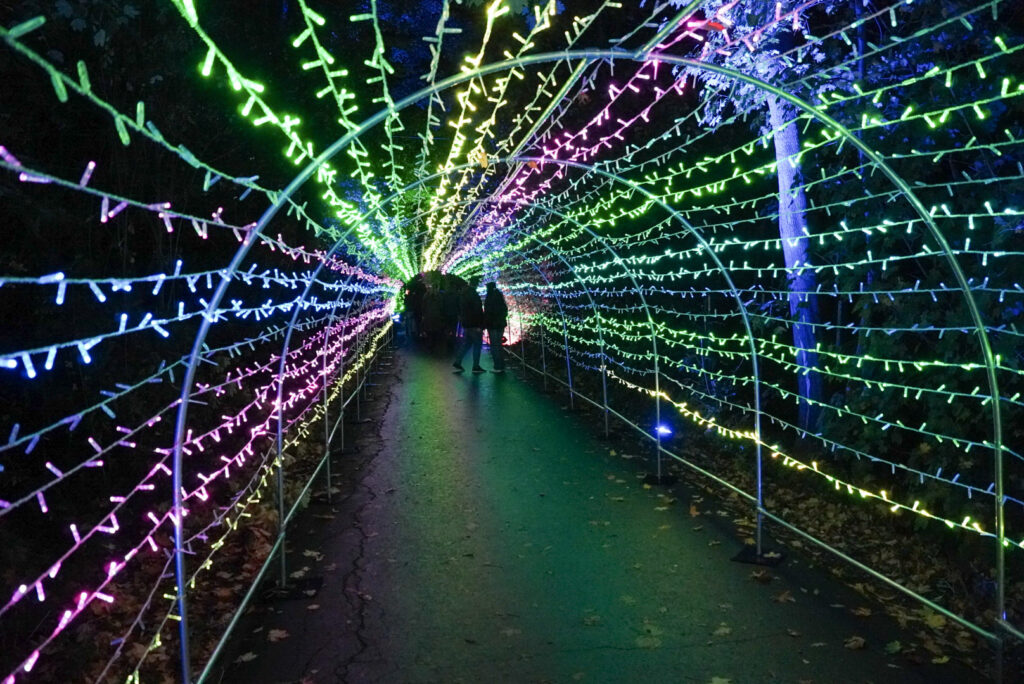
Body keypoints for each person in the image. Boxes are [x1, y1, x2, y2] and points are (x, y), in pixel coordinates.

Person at [452, 279, 485, 373]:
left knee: (467, 344)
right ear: (476, 284)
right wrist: (480, 324)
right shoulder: (473, 295)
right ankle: (476, 366)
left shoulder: (463, 294)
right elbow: (477, 311)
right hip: (474, 324)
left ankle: (458, 361)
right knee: (477, 345)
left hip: (466, 323)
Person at [483, 281, 508, 374]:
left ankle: (497, 366)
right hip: (500, 324)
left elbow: (488, 312)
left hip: (493, 325)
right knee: (499, 345)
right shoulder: (499, 297)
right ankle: (501, 365)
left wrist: (486, 323)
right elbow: (505, 310)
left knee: (494, 345)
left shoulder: (489, 297)